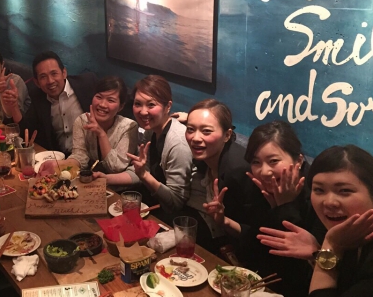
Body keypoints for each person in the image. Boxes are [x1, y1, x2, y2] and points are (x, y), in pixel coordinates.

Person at [258, 145, 373, 296]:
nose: (329, 202)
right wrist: (318, 254)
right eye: (319, 190)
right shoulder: (341, 229)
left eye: (344, 190)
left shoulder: (337, 236)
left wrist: (331, 246)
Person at [93, 75, 193, 219]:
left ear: (168, 106)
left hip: (175, 217)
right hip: (152, 203)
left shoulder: (178, 143)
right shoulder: (150, 131)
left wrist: (144, 175)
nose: (143, 111)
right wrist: (106, 179)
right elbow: (142, 173)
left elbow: (176, 202)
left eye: (151, 105)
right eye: (138, 104)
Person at [239, 120, 314, 297]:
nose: (264, 172)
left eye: (273, 161)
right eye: (256, 162)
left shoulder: (315, 195)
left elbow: (297, 271)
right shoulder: (260, 188)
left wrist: (285, 207)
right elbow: (253, 250)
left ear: (299, 160)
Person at [181, 98, 259, 257]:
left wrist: (223, 221)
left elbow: (254, 234)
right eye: (190, 129)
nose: (195, 138)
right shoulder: (204, 157)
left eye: (206, 131)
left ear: (227, 135)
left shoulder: (237, 171)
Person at [39, 76, 138, 175]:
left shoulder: (129, 127)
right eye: (99, 97)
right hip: (91, 179)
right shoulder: (82, 121)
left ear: (121, 106)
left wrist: (101, 134)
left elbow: (115, 168)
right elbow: (80, 156)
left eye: (111, 100)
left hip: (117, 184)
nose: (102, 104)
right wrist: (59, 164)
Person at [20, 51, 97, 154]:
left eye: (54, 73)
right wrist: (12, 107)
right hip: (58, 157)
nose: (50, 81)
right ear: (37, 82)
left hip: (90, 155)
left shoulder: (87, 84)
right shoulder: (38, 96)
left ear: (64, 73)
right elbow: (27, 133)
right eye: (43, 77)